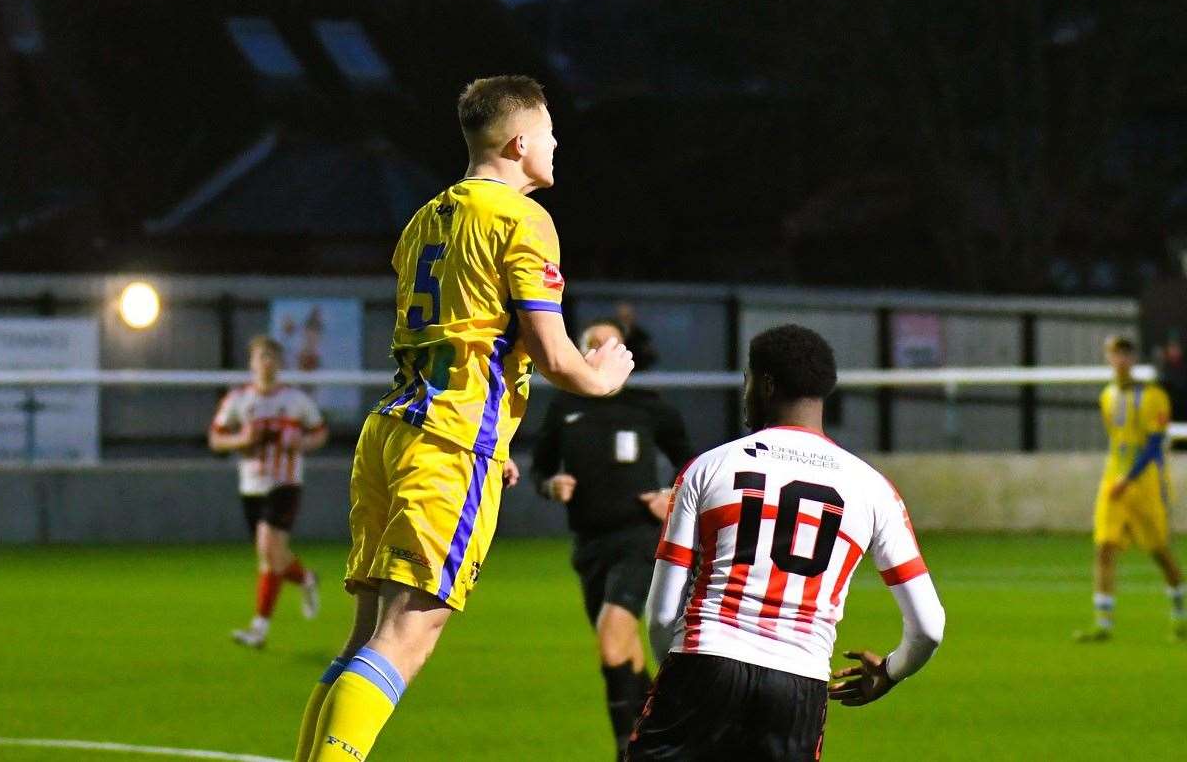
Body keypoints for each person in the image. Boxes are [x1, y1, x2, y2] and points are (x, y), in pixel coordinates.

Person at [292, 75, 634, 762]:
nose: (558, 144)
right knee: (408, 632)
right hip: (448, 441)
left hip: (394, 429)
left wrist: (498, 434)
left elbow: (460, 334)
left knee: (367, 636)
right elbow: (553, 351)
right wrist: (602, 377)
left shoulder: (425, 218)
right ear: (519, 142)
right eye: (550, 133)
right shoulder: (522, 219)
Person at [630, 324, 945, 762]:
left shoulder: (707, 468)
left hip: (705, 661)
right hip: (798, 685)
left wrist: (681, 673)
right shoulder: (874, 490)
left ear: (767, 384)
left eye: (748, 380)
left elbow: (663, 612)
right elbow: (929, 626)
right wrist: (891, 672)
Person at [532, 317, 694, 761]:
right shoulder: (564, 408)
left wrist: (670, 495)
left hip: (640, 540)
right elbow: (541, 470)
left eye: (611, 344)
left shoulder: (647, 406)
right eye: (593, 344)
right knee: (625, 652)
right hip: (589, 545)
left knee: (611, 639)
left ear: (625, 355)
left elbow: (693, 466)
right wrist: (552, 485)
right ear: (581, 352)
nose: (601, 350)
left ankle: (628, 750)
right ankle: (662, 741)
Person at [209, 335, 328, 649]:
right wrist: (241, 442)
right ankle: (306, 579)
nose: (267, 362)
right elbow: (216, 439)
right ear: (252, 363)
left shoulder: (296, 400)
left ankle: (258, 629)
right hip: (251, 485)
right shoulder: (238, 400)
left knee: (268, 549)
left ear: (280, 363)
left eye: (272, 357)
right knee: (271, 556)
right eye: (261, 357)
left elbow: (319, 433)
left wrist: (300, 444)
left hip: (285, 483)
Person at [1075, 334, 1185, 642]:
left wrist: (1131, 476)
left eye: (1125, 354)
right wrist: (1118, 476)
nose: (1120, 360)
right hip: (1113, 481)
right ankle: (1103, 623)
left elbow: (1153, 443)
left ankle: (1180, 615)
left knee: (1159, 551)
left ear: (1133, 359)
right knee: (1104, 547)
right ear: (1108, 358)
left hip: (1146, 484)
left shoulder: (1152, 396)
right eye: (1114, 354)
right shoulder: (1107, 396)